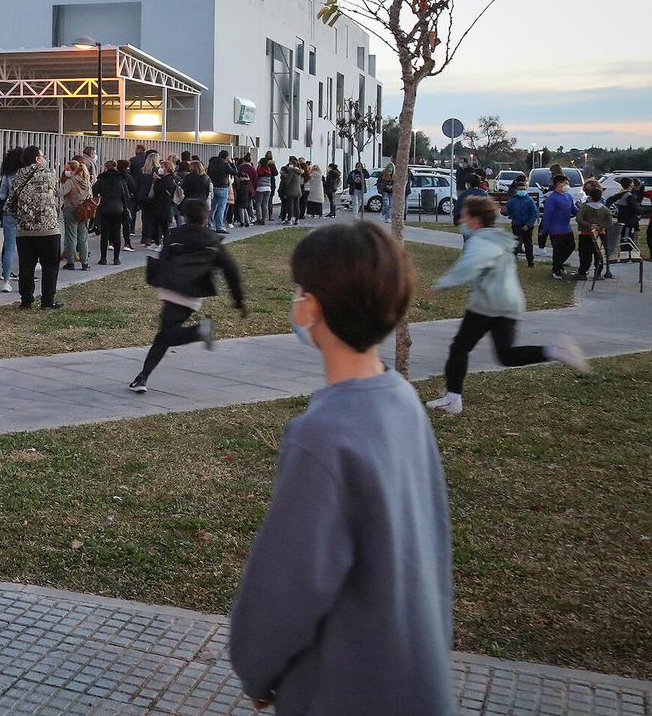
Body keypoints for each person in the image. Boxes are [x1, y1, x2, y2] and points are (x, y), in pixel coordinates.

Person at [229, 221, 453, 716]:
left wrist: (256, 666)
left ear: (312, 306)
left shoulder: (322, 435)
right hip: (412, 678)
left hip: (345, 688)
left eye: (299, 290)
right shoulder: (401, 398)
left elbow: (287, 586)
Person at [422, 196, 589, 417]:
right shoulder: (497, 238)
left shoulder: (481, 242)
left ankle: (453, 399)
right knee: (506, 355)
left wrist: (440, 285)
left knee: (459, 348)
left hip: (488, 304)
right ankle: (555, 351)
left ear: (476, 220)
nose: (461, 218)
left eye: (464, 215)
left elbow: (470, 265)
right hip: (509, 303)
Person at [128, 199, 246, 393]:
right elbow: (231, 271)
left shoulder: (175, 234)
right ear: (206, 218)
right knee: (164, 335)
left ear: (184, 217)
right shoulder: (213, 240)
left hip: (173, 288)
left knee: (165, 336)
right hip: (194, 291)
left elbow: (163, 259)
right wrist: (239, 301)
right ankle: (142, 378)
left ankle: (199, 332)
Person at [6, 146, 63, 310]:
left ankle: (26, 300)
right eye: (42, 156)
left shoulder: (18, 175)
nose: (44, 159)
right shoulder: (49, 174)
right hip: (48, 228)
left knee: (26, 266)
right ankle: (47, 301)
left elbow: (11, 201)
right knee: (50, 265)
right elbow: (56, 194)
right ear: (37, 159)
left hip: (24, 229)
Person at [0, 148, 25, 292]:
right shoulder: (27, 174)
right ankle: (26, 276)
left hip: (10, 213)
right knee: (27, 247)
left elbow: (1, 195)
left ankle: (6, 280)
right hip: (26, 214)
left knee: (9, 247)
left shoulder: (8, 175)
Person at [92, 160, 131, 265]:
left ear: (105, 167)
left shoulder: (101, 179)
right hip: (118, 208)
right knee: (116, 233)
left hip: (104, 208)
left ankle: (103, 258)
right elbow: (125, 195)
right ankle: (116, 259)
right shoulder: (121, 179)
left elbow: (94, 190)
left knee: (105, 234)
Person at [540, 174, 578, 280]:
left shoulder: (568, 196)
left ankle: (559, 265)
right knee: (558, 250)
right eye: (566, 183)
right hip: (555, 229)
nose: (568, 185)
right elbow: (547, 215)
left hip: (566, 228)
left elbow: (573, 209)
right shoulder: (552, 198)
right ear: (559, 184)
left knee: (571, 246)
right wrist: (545, 230)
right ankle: (556, 269)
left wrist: (581, 213)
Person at [59, 159, 94, 270]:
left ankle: (71, 262)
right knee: (83, 238)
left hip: (71, 210)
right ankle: (85, 263)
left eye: (67, 169)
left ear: (73, 170)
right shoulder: (87, 182)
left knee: (71, 237)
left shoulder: (71, 181)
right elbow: (90, 197)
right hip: (84, 212)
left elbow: (59, 193)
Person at [575, 182, 612, 281]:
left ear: (590, 197)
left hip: (586, 233)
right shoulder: (605, 209)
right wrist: (601, 226)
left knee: (585, 254)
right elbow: (610, 222)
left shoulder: (586, 208)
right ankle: (598, 272)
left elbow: (578, 218)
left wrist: (589, 225)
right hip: (600, 234)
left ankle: (582, 272)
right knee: (598, 254)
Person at [145, 157, 181, 250]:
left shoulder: (168, 180)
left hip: (164, 204)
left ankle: (164, 244)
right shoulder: (166, 179)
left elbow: (159, 189)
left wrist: (157, 181)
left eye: (163, 167)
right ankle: (157, 242)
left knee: (164, 226)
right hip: (160, 204)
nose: (161, 168)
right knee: (156, 224)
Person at [503, 177, 539, 268]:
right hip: (517, 224)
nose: (522, 191)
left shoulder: (529, 200)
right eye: (520, 189)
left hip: (527, 225)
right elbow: (508, 211)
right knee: (516, 243)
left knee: (528, 244)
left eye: (523, 189)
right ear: (516, 190)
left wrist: (529, 224)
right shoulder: (512, 200)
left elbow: (534, 213)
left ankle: (530, 261)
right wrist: (503, 211)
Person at [207, 149, 234, 233]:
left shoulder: (212, 164)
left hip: (213, 186)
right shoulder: (225, 164)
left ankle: (210, 225)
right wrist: (231, 163)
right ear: (226, 157)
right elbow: (235, 172)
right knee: (221, 208)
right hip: (223, 187)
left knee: (213, 207)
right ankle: (219, 226)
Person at [278, 158, 304, 225]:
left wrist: (283, 175)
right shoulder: (298, 171)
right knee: (296, 205)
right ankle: (297, 219)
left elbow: (287, 182)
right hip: (298, 190)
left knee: (290, 206)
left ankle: (289, 220)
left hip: (291, 191)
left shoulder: (291, 171)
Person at [234, 156, 256, 228]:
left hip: (242, 193)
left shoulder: (240, 168)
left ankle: (242, 221)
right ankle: (248, 221)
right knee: (246, 207)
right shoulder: (252, 169)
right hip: (250, 190)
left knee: (241, 207)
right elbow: (256, 180)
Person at [255, 156, 275, 225]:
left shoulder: (259, 169)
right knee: (265, 204)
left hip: (260, 188)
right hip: (268, 188)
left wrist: (258, 166)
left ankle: (259, 218)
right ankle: (264, 218)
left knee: (258, 203)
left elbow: (256, 177)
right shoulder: (269, 169)